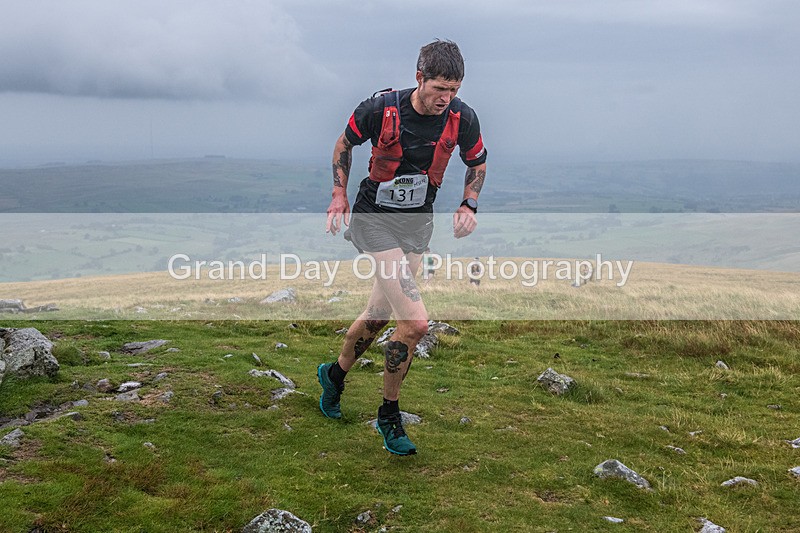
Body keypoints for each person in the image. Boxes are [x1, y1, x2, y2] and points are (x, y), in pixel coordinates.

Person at [320, 39, 487, 455]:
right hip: (373, 218)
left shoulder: (462, 118)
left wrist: (469, 203)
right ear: (419, 79)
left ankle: (334, 376)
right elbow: (344, 145)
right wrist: (338, 195)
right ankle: (389, 416)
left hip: (417, 224)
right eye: (439, 90)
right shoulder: (380, 109)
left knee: (379, 314)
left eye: (454, 90)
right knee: (415, 323)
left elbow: (478, 161)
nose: (445, 99)